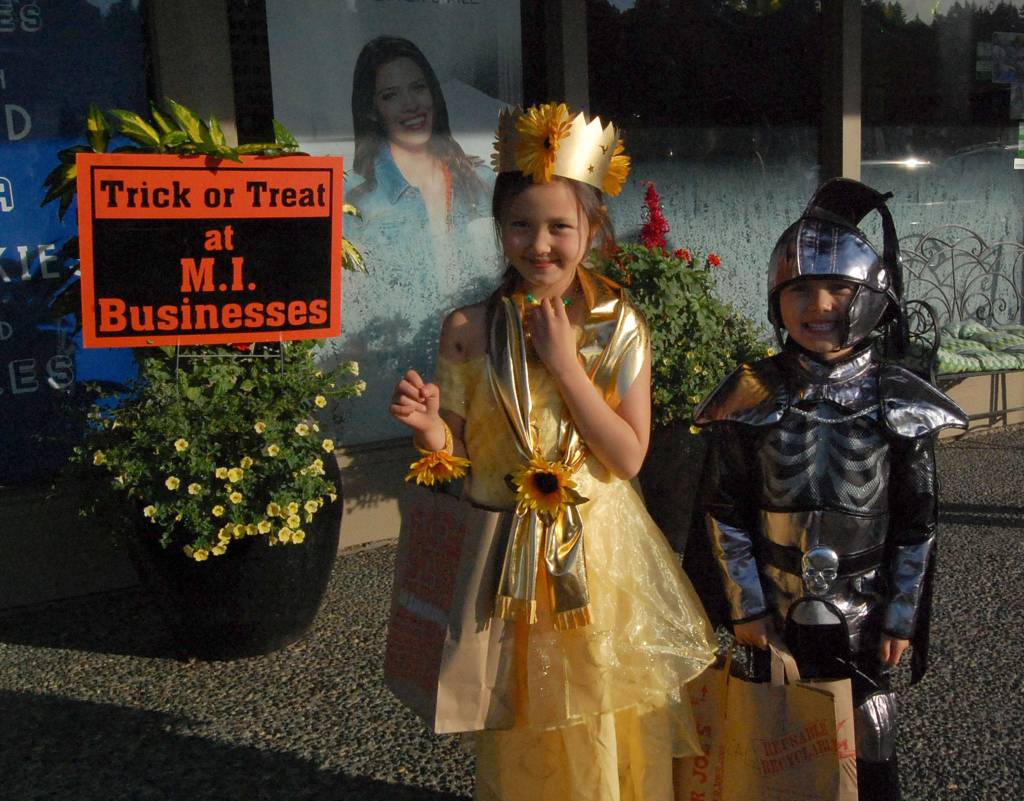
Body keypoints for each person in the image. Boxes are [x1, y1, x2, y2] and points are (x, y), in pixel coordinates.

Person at [389, 103, 715, 801]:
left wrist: (567, 367)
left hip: (597, 556)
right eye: (521, 224)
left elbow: (628, 457)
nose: (540, 244)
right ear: (499, 228)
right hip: (502, 553)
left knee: (603, 707)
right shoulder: (467, 329)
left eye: (560, 226)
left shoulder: (616, 325)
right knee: (522, 715)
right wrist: (429, 433)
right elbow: (462, 455)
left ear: (592, 230)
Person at [694, 178, 969, 801]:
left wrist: (901, 616)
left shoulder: (898, 400)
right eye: (799, 289)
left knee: (872, 736)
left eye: (839, 287)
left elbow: (915, 521)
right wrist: (747, 607)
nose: (818, 304)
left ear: (873, 296)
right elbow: (724, 509)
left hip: (866, 607)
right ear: (775, 299)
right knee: (774, 743)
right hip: (774, 601)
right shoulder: (750, 395)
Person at [339, 35, 497, 443]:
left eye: (418, 87)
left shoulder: (483, 183)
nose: (410, 104)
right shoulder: (356, 203)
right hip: (402, 391)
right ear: (373, 110)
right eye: (391, 95)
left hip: (483, 381)